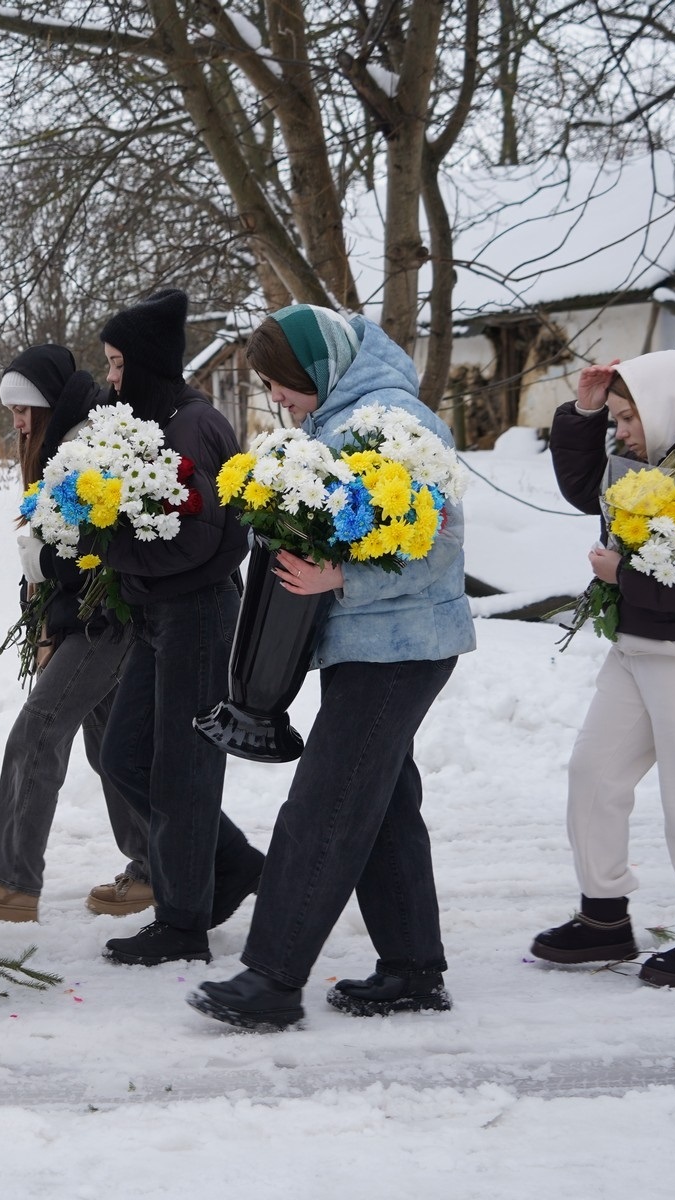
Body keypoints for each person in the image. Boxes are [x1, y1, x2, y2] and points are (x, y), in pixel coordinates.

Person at [189, 304, 473, 1031]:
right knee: (381, 806)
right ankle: (412, 969)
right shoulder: (339, 422)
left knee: (328, 803)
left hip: (401, 648)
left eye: (284, 382)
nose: (277, 397)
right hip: (374, 647)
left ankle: (273, 978)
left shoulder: (395, 423)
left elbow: (437, 549)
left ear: (320, 368)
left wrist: (341, 578)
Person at [528, 351, 675, 988]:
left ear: (669, 407)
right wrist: (583, 412)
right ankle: (603, 916)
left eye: (628, 416)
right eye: (616, 417)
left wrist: (624, 575)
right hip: (637, 650)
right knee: (594, 774)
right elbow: (589, 489)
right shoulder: (666, 460)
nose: (623, 431)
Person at [0, 345, 151, 923]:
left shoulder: (87, 448)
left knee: (38, 731)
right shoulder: (60, 446)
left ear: (50, 404)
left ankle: (11, 878)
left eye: (23, 409)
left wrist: (54, 611)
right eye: (10, 410)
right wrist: (44, 621)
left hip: (106, 621)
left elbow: (89, 551)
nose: (15, 422)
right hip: (87, 619)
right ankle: (158, 865)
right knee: (112, 746)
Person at [93, 288, 263, 967]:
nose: (109, 378)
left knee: (183, 770)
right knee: (127, 756)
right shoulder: (156, 421)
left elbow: (199, 540)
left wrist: (107, 546)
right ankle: (234, 862)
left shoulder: (193, 427)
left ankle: (183, 921)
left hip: (198, 611)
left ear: (145, 363)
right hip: (160, 612)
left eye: (115, 364)